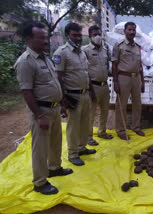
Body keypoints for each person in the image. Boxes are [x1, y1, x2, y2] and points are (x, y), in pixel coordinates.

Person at [14, 22, 73, 195]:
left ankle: (54, 168)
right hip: (41, 111)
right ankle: (40, 182)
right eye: (41, 38)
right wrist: (39, 115)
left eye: (45, 37)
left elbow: (54, 83)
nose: (45, 40)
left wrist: (61, 103)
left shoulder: (46, 57)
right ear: (29, 39)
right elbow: (26, 91)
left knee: (56, 141)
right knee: (40, 148)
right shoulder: (25, 62)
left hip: (54, 109)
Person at [53, 22, 96, 166]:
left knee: (84, 124)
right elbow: (58, 77)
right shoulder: (61, 52)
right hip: (72, 95)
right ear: (67, 35)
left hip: (85, 94)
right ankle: (72, 154)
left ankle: (81, 148)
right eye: (74, 35)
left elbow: (86, 73)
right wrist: (62, 99)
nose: (78, 38)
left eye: (79, 35)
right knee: (73, 126)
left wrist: (91, 90)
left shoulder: (82, 52)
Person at [111, 22, 145, 140]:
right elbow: (114, 64)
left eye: (133, 30)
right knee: (121, 105)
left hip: (136, 78)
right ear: (125, 31)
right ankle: (121, 130)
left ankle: (136, 127)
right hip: (123, 78)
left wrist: (143, 81)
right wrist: (115, 82)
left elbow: (140, 65)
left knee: (137, 104)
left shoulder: (137, 47)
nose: (132, 32)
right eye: (129, 30)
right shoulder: (118, 45)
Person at [82, 25, 113, 146]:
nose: (97, 37)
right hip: (92, 87)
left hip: (104, 85)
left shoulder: (105, 50)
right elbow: (84, 70)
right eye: (94, 34)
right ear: (90, 36)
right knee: (91, 113)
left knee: (105, 111)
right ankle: (88, 137)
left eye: (99, 34)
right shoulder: (85, 50)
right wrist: (89, 88)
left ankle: (102, 132)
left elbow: (108, 66)